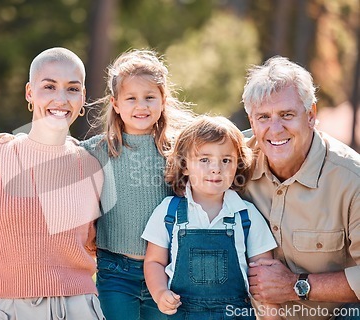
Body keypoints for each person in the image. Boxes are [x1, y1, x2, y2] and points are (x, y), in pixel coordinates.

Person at [0, 47, 105, 319]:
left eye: (72, 89)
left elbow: (98, 245)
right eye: (49, 86)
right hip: (7, 308)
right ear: (29, 93)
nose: (61, 98)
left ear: (82, 97)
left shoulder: (91, 165)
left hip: (79, 307)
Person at [80, 49, 195, 320]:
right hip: (115, 271)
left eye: (149, 97)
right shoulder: (98, 150)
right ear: (116, 103)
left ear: (163, 100)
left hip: (167, 271)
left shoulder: (177, 149)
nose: (140, 106)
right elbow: (57, 150)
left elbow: (221, 143)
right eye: (131, 98)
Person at [242, 56, 360, 320]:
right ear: (251, 121)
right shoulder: (232, 162)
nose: (275, 129)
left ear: (310, 115)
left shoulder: (353, 180)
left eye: (286, 115)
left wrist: (295, 285)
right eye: (263, 117)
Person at [141, 115, 279, 319]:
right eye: (204, 159)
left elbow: (264, 273)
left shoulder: (246, 215)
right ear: (185, 165)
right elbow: (154, 262)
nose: (216, 168)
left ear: (237, 165)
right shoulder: (169, 212)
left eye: (226, 160)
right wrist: (160, 293)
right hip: (182, 313)